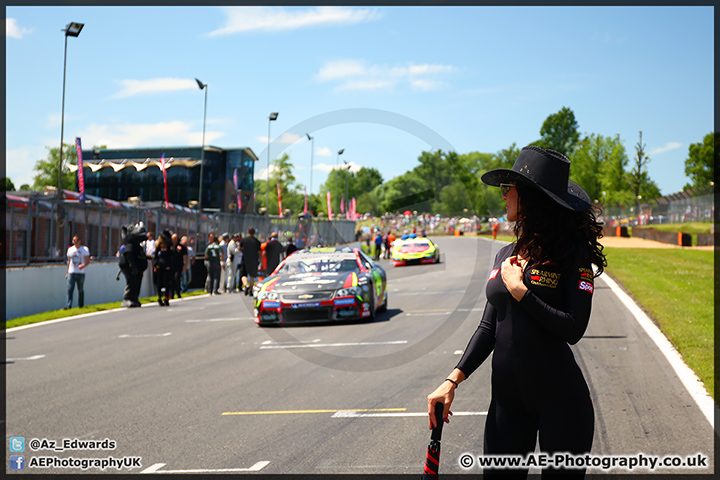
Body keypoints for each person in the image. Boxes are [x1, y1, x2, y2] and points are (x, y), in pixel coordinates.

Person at [426, 146, 607, 479]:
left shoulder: (572, 255)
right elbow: (487, 328)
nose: (504, 195)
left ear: (531, 197)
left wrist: (521, 292)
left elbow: (573, 328)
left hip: (562, 403)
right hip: (507, 405)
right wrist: (452, 380)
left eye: (510, 188)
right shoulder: (506, 255)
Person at [65, 235, 91, 309]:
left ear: (79, 241)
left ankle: (81, 305)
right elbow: (69, 261)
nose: (74, 242)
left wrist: (82, 265)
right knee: (69, 288)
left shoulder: (84, 249)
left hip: (80, 273)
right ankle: (68, 305)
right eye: (73, 240)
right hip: (72, 272)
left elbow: (87, 261)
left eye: (75, 240)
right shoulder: (70, 250)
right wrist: (67, 272)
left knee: (80, 289)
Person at [153, 230, 174, 306]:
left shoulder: (169, 244)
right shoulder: (158, 245)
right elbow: (156, 256)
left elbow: (172, 255)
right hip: (160, 265)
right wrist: (155, 265)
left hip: (167, 264)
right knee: (159, 281)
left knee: (167, 281)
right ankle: (159, 297)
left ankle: (166, 297)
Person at [240, 227, 262, 296]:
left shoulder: (244, 240)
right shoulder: (257, 241)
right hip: (254, 260)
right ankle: (251, 290)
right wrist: (261, 261)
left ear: (248, 232)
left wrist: (243, 251)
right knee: (252, 276)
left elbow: (239, 247)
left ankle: (246, 285)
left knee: (243, 275)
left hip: (245, 259)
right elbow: (259, 252)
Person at [171, 233, 188, 298]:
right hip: (171, 265)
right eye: (173, 239)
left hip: (179, 265)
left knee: (177, 278)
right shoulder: (170, 246)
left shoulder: (181, 246)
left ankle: (178, 292)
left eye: (176, 238)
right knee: (171, 279)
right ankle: (171, 293)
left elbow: (186, 255)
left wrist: (185, 265)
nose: (175, 240)